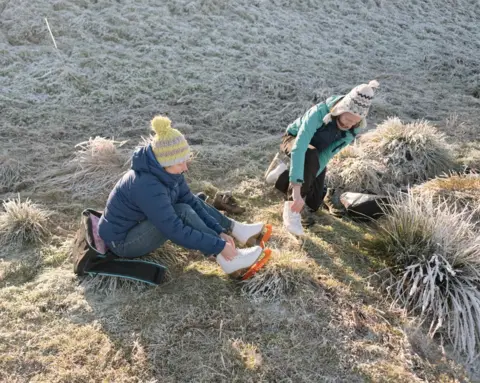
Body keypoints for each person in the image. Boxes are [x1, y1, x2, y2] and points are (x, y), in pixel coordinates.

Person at [98, 116, 265, 274]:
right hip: (122, 242)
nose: (185, 167)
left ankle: (231, 244)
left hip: (138, 225)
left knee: (189, 204)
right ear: (165, 163)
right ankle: (229, 258)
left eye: (186, 160)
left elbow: (191, 202)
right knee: (182, 212)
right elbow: (175, 230)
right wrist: (218, 245)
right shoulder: (147, 186)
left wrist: (219, 231)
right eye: (181, 162)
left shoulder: (168, 172)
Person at [265, 80, 379, 236]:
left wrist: (308, 180)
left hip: (316, 153)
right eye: (347, 119)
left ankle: (280, 176)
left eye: (354, 122)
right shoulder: (318, 114)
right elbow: (299, 147)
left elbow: (325, 156)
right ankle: (291, 209)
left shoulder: (353, 129)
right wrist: (297, 192)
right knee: (309, 156)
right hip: (293, 140)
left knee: (313, 203)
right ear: (341, 109)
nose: (349, 124)